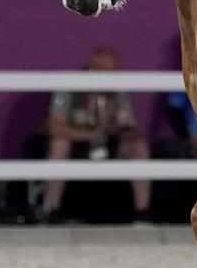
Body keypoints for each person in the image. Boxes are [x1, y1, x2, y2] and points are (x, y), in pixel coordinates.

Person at [35, 47, 150, 223]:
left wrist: (118, 126)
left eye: (113, 72)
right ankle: (51, 210)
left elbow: (129, 126)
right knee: (59, 144)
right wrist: (90, 135)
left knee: (138, 145)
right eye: (103, 71)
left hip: (109, 141)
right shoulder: (70, 87)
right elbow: (54, 127)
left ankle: (142, 213)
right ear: (91, 68)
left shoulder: (118, 89)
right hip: (76, 142)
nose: (108, 77)